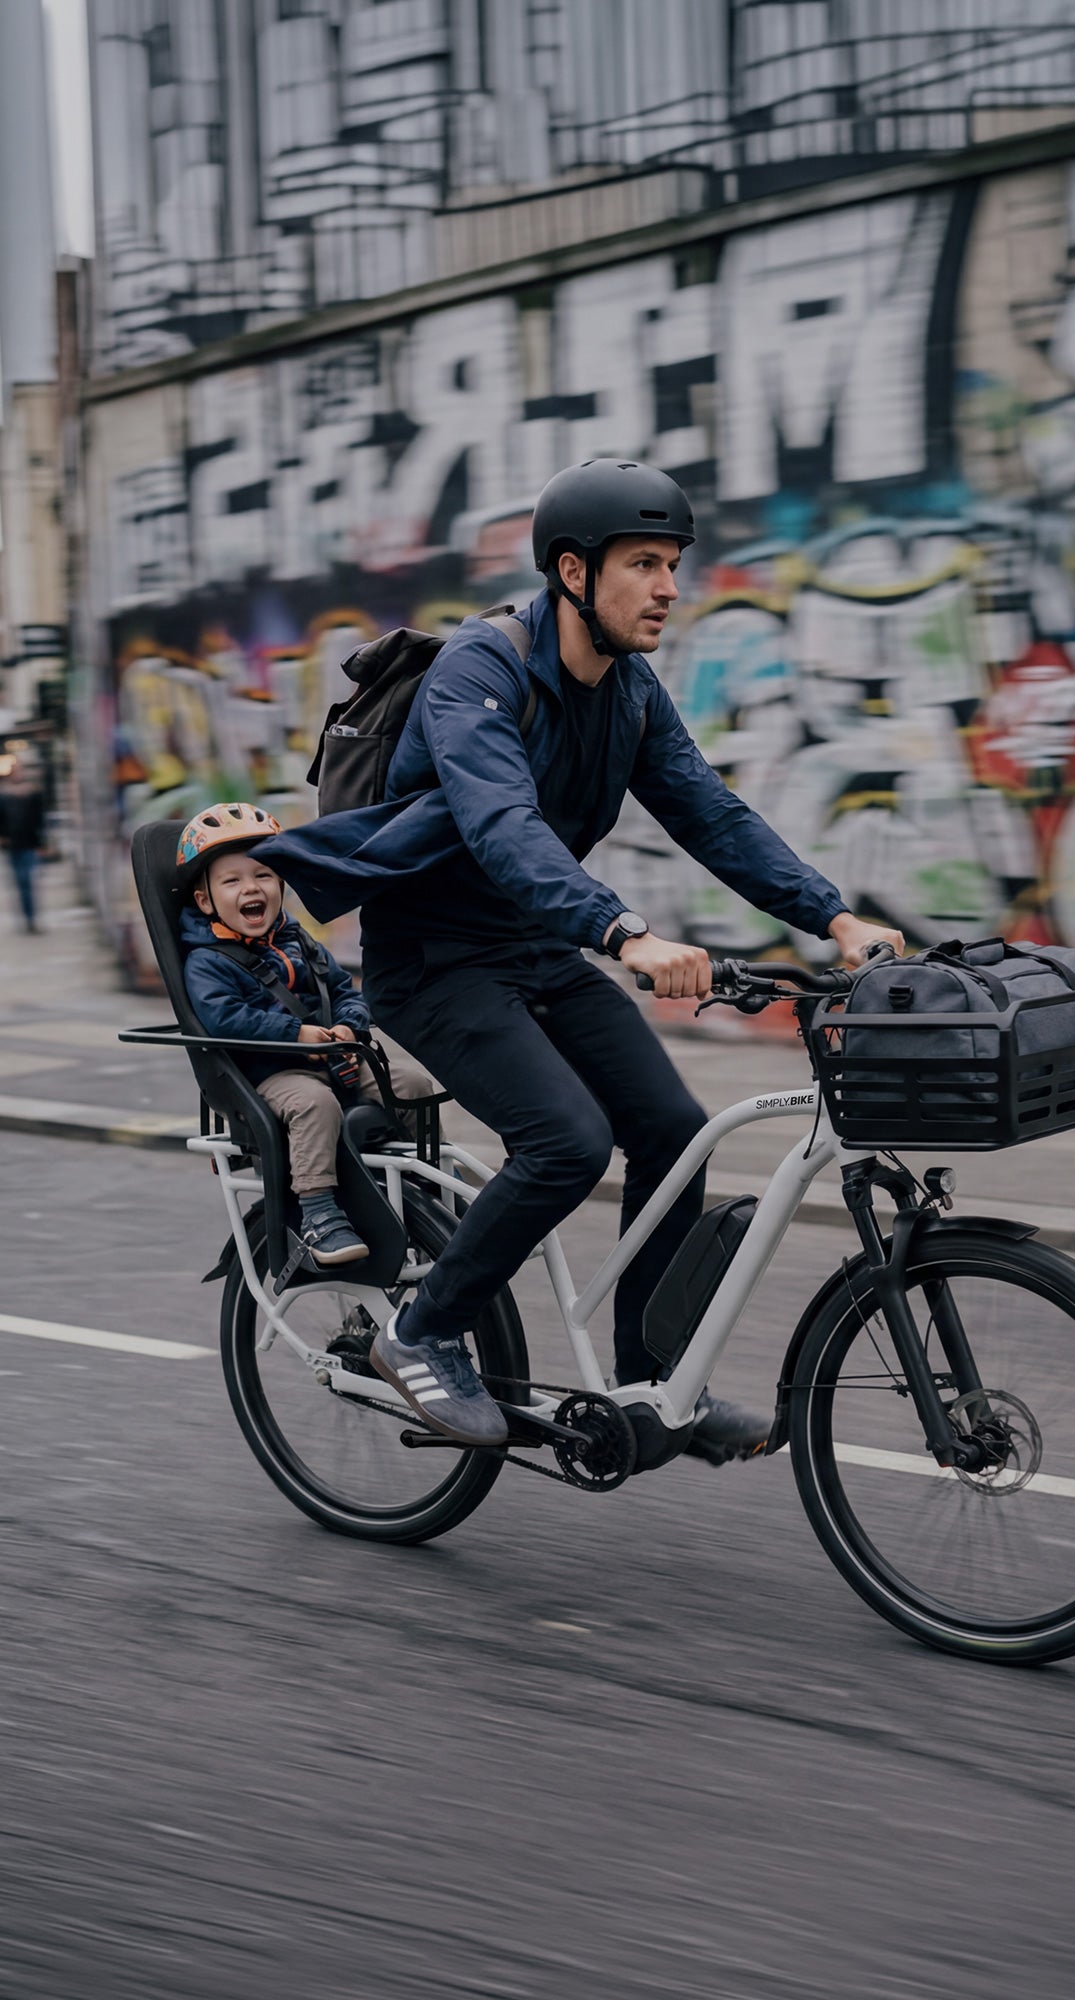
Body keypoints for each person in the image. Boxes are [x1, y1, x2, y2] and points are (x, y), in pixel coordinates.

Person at [261, 462, 903, 1452]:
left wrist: (836, 918)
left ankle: (649, 1384)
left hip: (536, 948)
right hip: (434, 962)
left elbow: (711, 813)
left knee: (674, 1129)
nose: (668, 587)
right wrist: (624, 933)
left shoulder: (629, 692)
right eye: (643, 563)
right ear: (573, 571)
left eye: (674, 564)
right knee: (566, 1141)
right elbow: (503, 824)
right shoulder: (478, 673)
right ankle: (419, 1332)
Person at [176, 802, 435, 1267]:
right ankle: (318, 1212)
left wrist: (348, 1026)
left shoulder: (299, 942)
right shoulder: (208, 961)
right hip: (269, 1074)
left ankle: (424, 1189)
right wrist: (296, 1034)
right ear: (205, 901)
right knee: (315, 1104)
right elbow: (224, 1018)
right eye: (232, 881)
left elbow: (345, 990)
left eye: (264, 875)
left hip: (335, 1058)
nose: (251, 887)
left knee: (413, 1084)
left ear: (280, 885)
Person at [0, 754, 48, 934]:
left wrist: (42, 844)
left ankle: (31, 918)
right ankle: (28, 917)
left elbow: (40, 819)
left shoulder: (33, 793)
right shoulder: (4, 794)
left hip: (30, 843)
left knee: (27, 880)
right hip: (13, 844)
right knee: (20, 882)